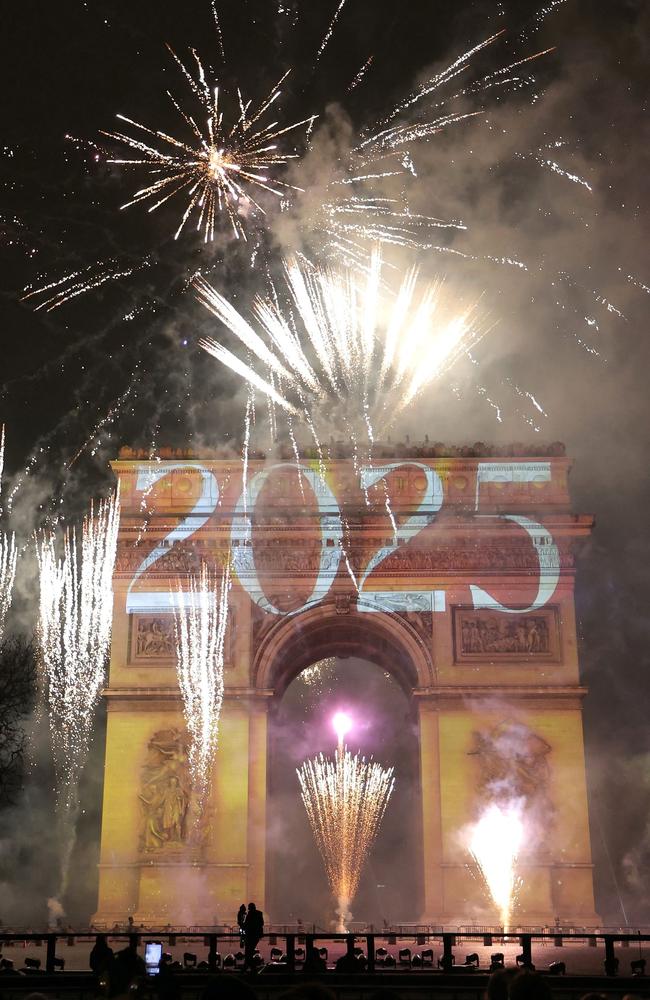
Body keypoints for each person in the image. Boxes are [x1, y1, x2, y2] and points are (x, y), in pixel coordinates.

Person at [243, 903, 264, 972]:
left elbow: (246, 924)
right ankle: (251, 967)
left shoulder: (249, 914)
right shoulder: (259, 913)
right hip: (256, 935)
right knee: (250, 951)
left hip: (250, 935)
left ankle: (249, 966)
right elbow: (262, 923)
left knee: (248, 951)